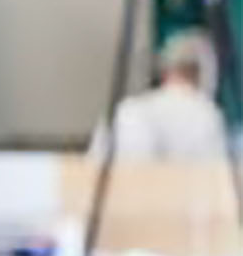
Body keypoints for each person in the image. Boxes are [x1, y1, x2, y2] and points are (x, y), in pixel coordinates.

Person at [90, 29, 229, 161]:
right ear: (205, 75)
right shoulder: (208, 116)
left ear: (165, 73)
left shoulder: (125, 111)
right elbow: (218, 177)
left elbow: (91, 171)